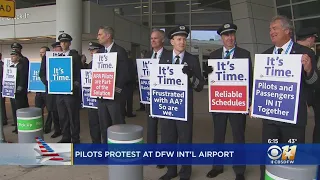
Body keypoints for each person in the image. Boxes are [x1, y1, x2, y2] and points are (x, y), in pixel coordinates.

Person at [257, 15, 320, 180]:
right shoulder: (265, 56)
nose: (271, 32)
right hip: (270, 120)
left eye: (275, 28)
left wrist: (308, 70)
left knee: (289, 161)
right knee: (269, 158)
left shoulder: (305, 53)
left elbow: (315, 84)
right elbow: (260, 86)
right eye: (270, 29)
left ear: (287, 31)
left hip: (293, 122)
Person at [204, 23, 253, 180]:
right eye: (226, 35)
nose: (230, 38)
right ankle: (217, 166)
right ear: (221, 38)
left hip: (237, 102)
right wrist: (207, 74)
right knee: (218, 135)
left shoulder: (244, 54)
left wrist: (250, 101)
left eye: (232, 34)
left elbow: (249, 79)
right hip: (219, 102)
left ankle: (239, 170)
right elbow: (211, 80)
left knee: (239, 136)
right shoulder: (213, 56)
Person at [159, 25, 205, 180]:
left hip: (184, 108)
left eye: (184, 39)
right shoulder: (163, 58)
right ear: (172, 41)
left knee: (185, 141)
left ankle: (185, 173)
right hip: (167, 107)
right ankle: (171, 170)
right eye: (179, 39)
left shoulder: (192, 59)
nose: (182, 42)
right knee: (168, 139)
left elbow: (200, 86)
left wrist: (190, 76)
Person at [96, 26, 130, 143]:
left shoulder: (120, 51)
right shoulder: (99, 52)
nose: (98, 37)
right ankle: (106, 149)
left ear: (108, 36)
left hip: (115, 96)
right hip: (101, 96)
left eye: (100, 35)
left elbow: (125, 72)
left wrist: (117, 88)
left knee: (117, 124)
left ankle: (120, 148)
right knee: (103, 125)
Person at [144, 29, 169, 169]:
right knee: (151, 128)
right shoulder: (148, 55)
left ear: (162, 40)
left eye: (156, 38)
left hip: (163, 98)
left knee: (165, 129)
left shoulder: (169, 55)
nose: (153, 41)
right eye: (151, 38)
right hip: (149, 98)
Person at [56, 33, 82, 143]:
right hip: (60, 92)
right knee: (63, 116)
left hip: (71, 92)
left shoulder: (75, 56)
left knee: (73, 117)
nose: (63, 44)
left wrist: (75, 85)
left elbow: (78, 73)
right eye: (62, 42)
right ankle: (66, 137)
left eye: (65, 42)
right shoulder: (58, 57)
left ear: (69, 43)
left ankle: (75, 138)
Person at [296, 27, 320, 143]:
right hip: (307, 98)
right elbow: (313, 80)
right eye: (314, 39)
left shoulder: (287, 50)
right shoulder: (309, 53)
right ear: (310, 38)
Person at [39, 42, 62, 138]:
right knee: (53, 111)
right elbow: (42, 73)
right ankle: (57, 130)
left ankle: (66, 130)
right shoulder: (46, 58)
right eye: (55, 48)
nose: (56, 50)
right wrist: (49, 84)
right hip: (51, 89)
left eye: (58, 48)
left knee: (64, 112)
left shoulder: (67, 56)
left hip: (63, 89)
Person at [86, 41, 103, 143]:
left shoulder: (106, 63)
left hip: (103, 97)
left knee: (103, 123)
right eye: (90, 50)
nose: (91, 52)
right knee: (93, 122)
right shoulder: (90, 64)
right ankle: (95, 143)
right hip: (91, 98)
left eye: (94, 50)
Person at [9, 49, 29, 133]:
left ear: (18, 57)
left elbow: (23, 79)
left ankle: (22, 126)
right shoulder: (11, 67)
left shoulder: (21, 66)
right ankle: (17, 126)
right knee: (14, 109)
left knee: (20, 109)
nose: (12, 58)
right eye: (11, 56)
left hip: (19, 92)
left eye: (13, 56)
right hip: (11, 91)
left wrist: (20, 88)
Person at [36, 46, 51, 133]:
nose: (41, 54)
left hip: (47, 91)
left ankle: (47, 127)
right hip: (38, 92)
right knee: (38, 110)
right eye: (40, 52)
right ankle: (39, 125)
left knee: (50, 110)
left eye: (43, 52)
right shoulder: (37, 64)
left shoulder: (50, 64)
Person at [121, 50, 136, 118]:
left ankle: (123, 112)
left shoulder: (121, 61)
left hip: (122, 83)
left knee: (122, 98)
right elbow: (132, 72)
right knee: (129, 99)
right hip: (129, 83)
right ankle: (129, 113)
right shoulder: (130, 61)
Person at [0, 53, 8, 126]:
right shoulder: (4, 65)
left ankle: (3, 120)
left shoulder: (3, 65)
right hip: (2, 87)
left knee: (1, 105)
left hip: (2, 87)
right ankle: (3, 119)